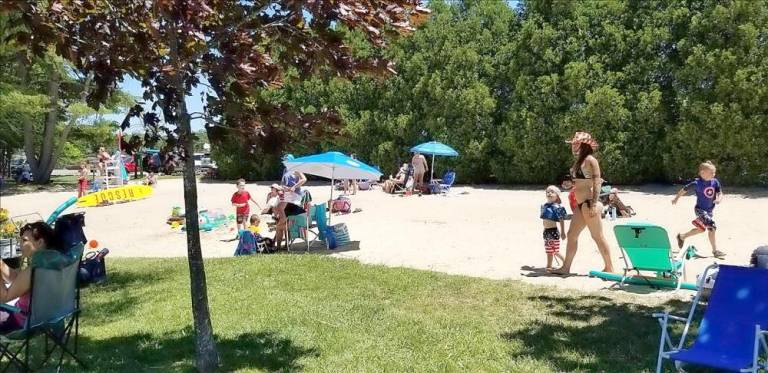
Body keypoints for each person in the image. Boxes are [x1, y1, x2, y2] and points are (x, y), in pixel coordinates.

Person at [552, 131, 614, 275]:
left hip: (589, 202)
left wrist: (593, 204)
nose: (573, 146)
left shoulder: (591, 160)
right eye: (573, 143)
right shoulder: (579, 161)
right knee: (572, 234)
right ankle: (566, 267)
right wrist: (570, 185)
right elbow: (580, 182)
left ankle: (609, 267)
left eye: (576, 143)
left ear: (584, 145)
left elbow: (597, 183)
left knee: (597, 236)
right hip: (581, 204)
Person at [0, 222, 60, 332]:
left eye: (24, 240)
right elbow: (20, 282)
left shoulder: (33, 270)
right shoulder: (54, 263)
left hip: (20, 321)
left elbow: (4, 298)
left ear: (40, 242)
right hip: (45, 319)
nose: (19, 244)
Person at [672, 161, 725, 258]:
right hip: (700, 210)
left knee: (701, 229)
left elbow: (720, 193)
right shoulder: (697, 183)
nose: (714, 174)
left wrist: (719, 199)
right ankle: (715, 251)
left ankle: (682, 236)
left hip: (709, 210)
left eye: (714, 172)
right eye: (711, 172)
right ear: (702, 173)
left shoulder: (715, 182)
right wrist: (676, 198)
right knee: (712, 226)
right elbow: (684, 190)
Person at [274, 170, 307, 250]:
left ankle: (282, 246)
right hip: (288, 199)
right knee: (281, 224)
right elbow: (283, 186)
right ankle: (280, 246)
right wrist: (284, 188)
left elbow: (304, 179)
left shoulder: (296, 170)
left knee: (282, 225)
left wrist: (294, 187)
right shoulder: (285, 171)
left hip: (293, 201)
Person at [541, 186, 567, 270]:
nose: (549, 193)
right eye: (547, 192)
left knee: (555, 250)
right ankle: (549, 266)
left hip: (553, 231)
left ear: (557, 196)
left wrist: (563, 232)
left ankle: (566, 263)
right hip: (546, 231)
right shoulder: (545, 205)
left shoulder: (556, 207)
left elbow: (561, 219)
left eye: (552, 192)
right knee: (549, 250)